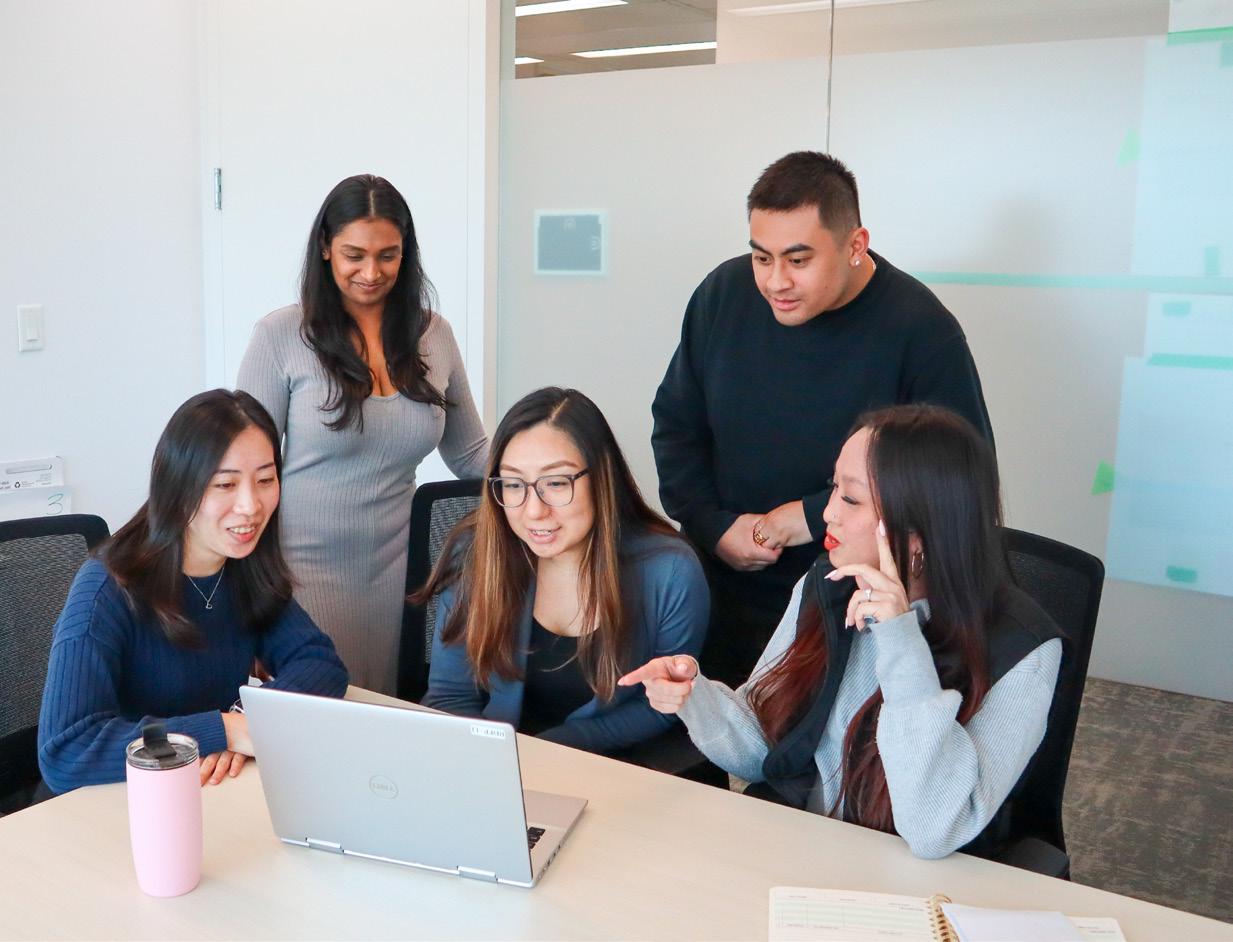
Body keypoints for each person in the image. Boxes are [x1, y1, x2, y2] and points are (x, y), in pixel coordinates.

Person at [622, 405, 1062, 860]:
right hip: (801, 853)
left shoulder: (1024, 650)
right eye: (833, 488)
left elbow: (933, 829)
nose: (828, 513)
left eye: (851, 499)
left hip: (918, 881)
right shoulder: (828, 585)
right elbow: (763, 751)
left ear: (919, 529)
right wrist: (695, 697)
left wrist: (900, 640)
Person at [652, 152, 993, 687]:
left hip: (851, 603)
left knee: (814, 738)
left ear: (855, 245)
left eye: (798, 259)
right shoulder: (722, 295)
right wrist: (713, 526)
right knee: (703, 722)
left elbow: (954, 483)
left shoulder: (921, 330)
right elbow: (676, 426)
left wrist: (809, 516)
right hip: (720, 581)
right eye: (761, 257)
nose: (775, 282)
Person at [237, 174, 488, 694]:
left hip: (403, 574)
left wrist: (556, 478)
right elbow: (244, 474)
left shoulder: (434, 335)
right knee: (320, 714)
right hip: (299, 576)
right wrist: (252, 600)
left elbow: (470, 454)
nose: (371, 273)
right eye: (355, 255)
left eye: (387, 256)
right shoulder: (280, 336)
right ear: (325, 247)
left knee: (393, 713)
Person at [38, 390, 349, 794]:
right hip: (117, 803)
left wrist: (247, 719)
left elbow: (320, 664)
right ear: (178, 488)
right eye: (225, 484)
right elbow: (67, 752)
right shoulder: (106, 589)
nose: (250, 505)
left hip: (209, 791)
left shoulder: (243, 565)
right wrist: (224, 730)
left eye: (265, 480)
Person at [419, 387, 708, 755]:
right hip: (496, 762)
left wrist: (552, 750)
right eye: (513, 484)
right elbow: (450, 695)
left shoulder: (670, 571)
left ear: (601, 478)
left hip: (612, 767)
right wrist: (493, 763)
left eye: (556, 483)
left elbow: (663, 705)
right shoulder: (477, 553)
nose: (533, 511)